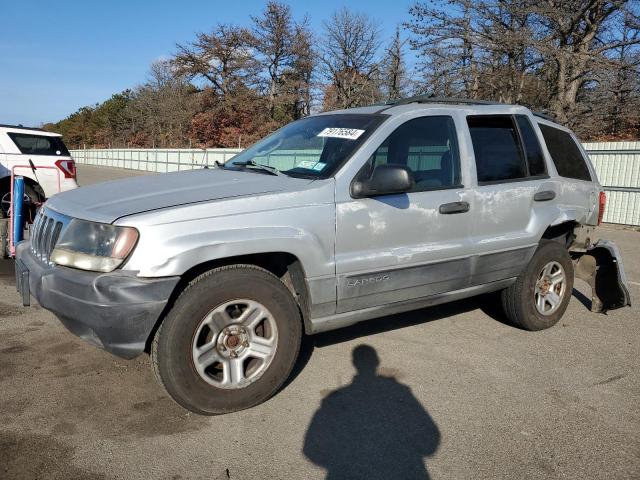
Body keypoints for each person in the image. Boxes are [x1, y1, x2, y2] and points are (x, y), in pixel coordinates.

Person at [303, 345, 441, 479]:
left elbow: (310, 449)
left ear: (354, 363)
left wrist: (338, 463)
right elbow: (431, 439)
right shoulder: (401, 392)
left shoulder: (331, 402)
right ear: (377, 362)